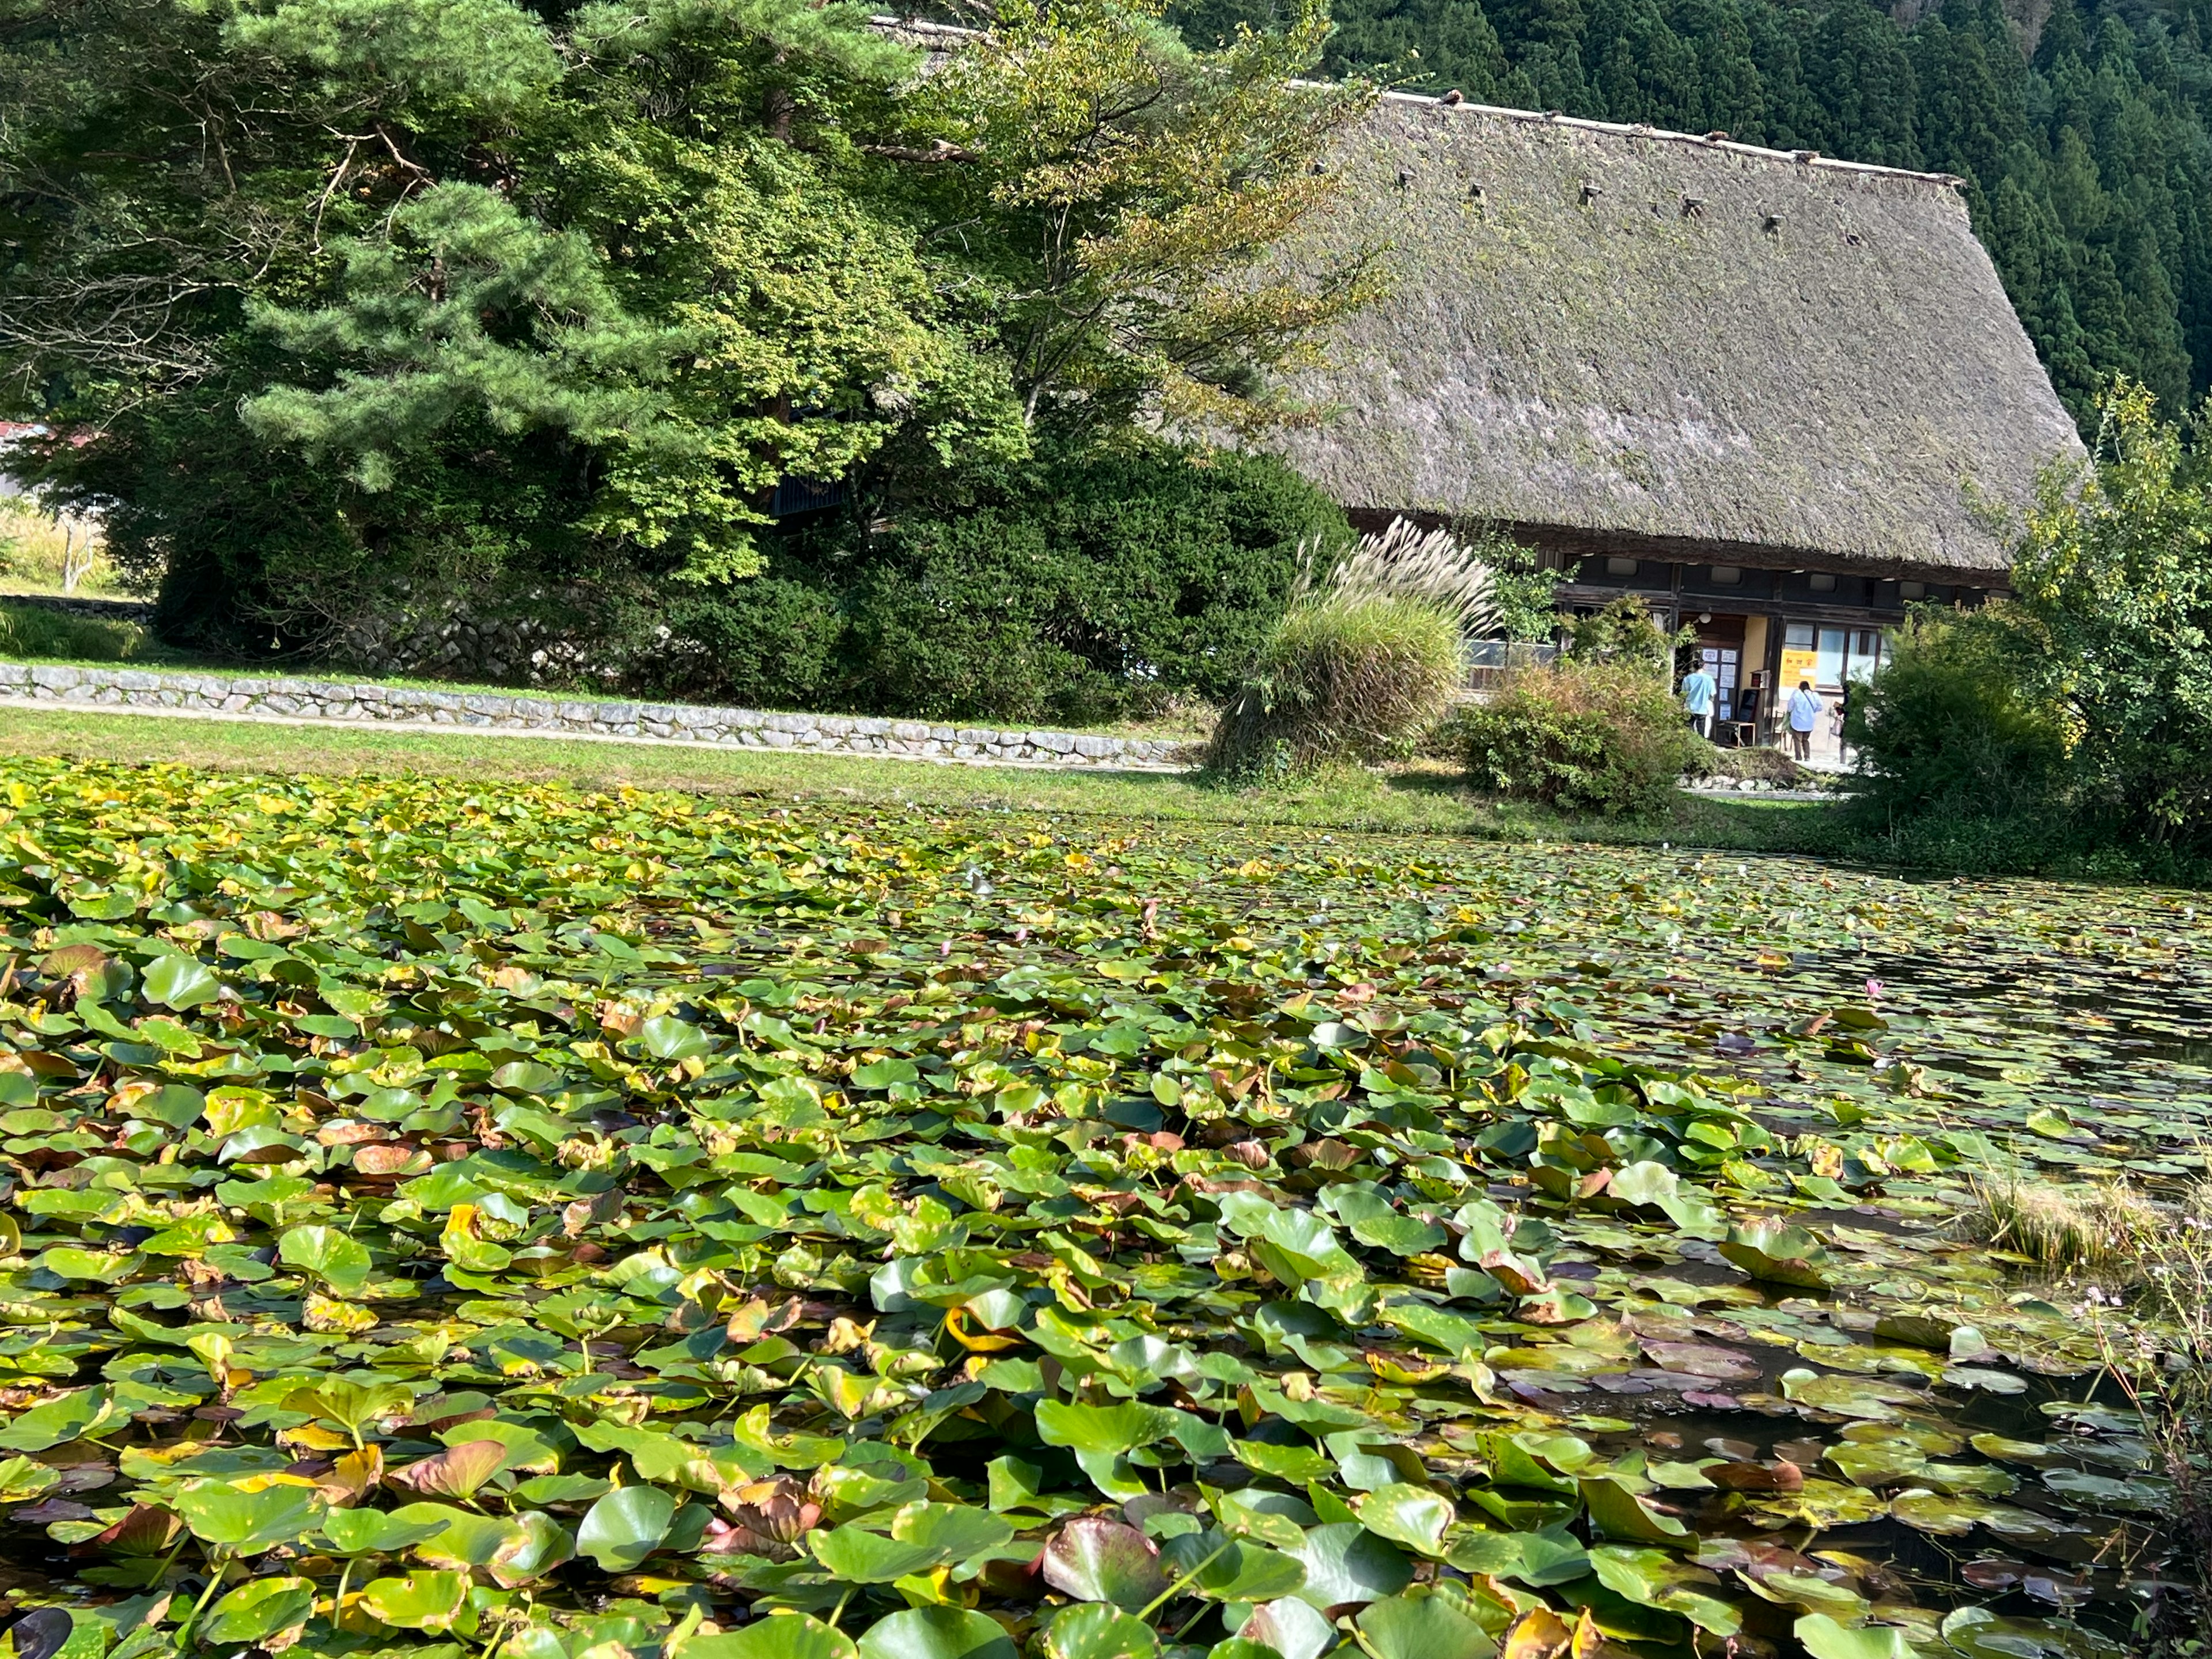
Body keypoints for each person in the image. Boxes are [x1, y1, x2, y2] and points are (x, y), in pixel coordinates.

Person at [1679, 659, 1717, 739]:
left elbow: (1683, 694)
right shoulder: (1709, 679)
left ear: (1693, 667)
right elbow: (1712, 694)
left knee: (1688, 730)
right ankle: (1700, 747)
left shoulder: (1688, 679)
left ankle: (1689, 745)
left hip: (1690, 707)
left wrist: (1682, 705)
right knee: (1701, 730)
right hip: (1703, 707)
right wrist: (1709, 703)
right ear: (1704, 666)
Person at [1787, 678, 1823, 761]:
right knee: (1805, 740)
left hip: (1797, 721)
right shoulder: (1814, 695)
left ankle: (1799, 757)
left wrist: (1789, 712)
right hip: (1809, 722)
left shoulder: (1797, 694)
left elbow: (1790, 706)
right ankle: (1807, 757)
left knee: (1797, 740)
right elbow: (1820, 707)